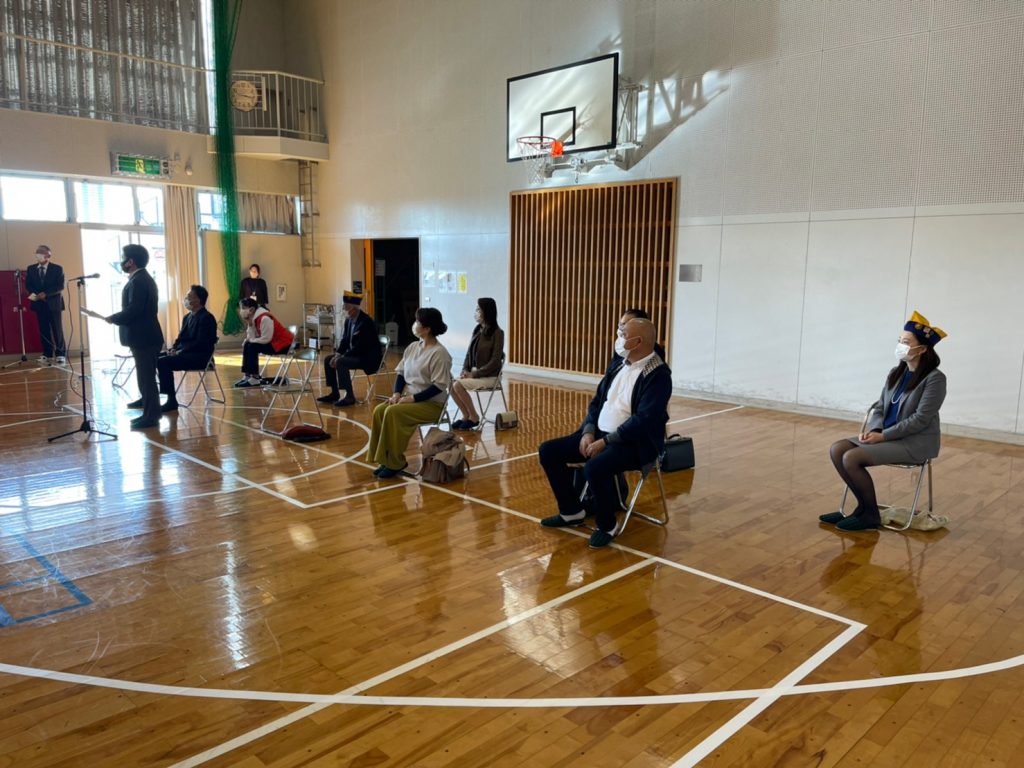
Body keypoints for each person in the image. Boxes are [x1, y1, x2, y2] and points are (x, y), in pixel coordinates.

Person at [539, 317, 672, 548]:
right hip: (599, 434)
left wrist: (606, 442)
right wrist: (588, 432)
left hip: (634, 444)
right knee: (548, 451)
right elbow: (597, 402)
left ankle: (607, 524)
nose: (618, 338)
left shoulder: (658, 375)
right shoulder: (618, 365)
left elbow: (644, 420)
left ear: (637, 342)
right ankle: (571, 511)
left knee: (595, 467)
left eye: (623, 334)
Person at [820, 311, 947, 532]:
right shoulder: (895, 374)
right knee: (837, 449)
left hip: (913, 442)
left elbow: (920, 420)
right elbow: (879, 407)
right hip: (886, 435)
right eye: (899, 341)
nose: (900, 346)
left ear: (923, 349)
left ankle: (869, 514)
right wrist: (875, 428)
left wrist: (884, 436)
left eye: (906, 342)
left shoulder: (935, 379)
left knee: (851, 457)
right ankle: (862, 509)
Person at [366, 307, 452, 478]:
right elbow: (401, 373)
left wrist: (411, 399)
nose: (414, 325)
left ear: (427, 329)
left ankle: (396, 462)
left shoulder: (439, 353)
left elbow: (439, 386)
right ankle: (384, 458)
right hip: (411, 399)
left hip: (432, 404)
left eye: (418, 322)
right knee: (380, 410)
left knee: (393, 412)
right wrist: (397, 394)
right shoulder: (413, 347)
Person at [106, 244, 164, 429]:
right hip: (144, 336)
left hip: (144, 337)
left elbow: (135, 309)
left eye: (123, 257)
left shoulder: (139, 280)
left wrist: (114, 318)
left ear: (131, 261)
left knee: (146, 378)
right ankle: (148, 409)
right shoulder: (140, 278)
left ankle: (152, 417)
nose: (121, 261)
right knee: (144, 377)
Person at [156, 285, 219, 412]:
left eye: (189, 297)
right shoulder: (187, 317)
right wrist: (172, 349)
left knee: (163, 362)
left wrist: (179, 351)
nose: (186, 299)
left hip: (200, 357)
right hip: (186, 354)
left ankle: (171, 400)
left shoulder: (207, 318)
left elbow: (201, 342)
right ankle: (153, 396)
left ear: (198, 300)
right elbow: (180, 339)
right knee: (156, 357)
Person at [317, 290, 382, 407]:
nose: (345, 312)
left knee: (341, 362)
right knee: (328, 359)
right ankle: (334, 393)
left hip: (366, 358)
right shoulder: (349, 321)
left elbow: (361, 347)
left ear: (354, 309)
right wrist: (338, 354)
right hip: (354, 354)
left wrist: (342, 356)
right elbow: (345, 341)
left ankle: (349, 396)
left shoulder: (366, 322)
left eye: (347, 309)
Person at [450, 297, 505, 430]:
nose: (476, 312)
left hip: (490, 377)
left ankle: (474, 417)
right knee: (450, 385)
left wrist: (474, 374)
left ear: (487, 311)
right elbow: (469, 354)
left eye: (479, 309)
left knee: (457, 385)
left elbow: (495, 361)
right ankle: (466, 415)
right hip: (477, 375)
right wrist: (464, 370)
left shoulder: (498, 333)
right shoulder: (477, 330)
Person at [235, 297, 294, 388]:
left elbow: (266, 339)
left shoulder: (265, 318)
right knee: (248, 344)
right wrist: (250, 324)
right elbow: (251, 337)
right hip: (274, 344)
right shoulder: (254, 319)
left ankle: (255, 378)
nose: (241, 310)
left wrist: (251, 340)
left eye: (243, 308)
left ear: (251, 309)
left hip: (283, 345)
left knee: (252, 346)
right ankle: (247, 376)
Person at [25, 244, 67, 364]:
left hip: (54, 304)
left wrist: (46, 294)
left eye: (41, 252)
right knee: (43, 329)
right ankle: (47, 353)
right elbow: (28, 285)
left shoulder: (57, 268)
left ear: (48, 255)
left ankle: (60, 354)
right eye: (37, 251)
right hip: (39, 303)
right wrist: (38, 294)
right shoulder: (31, 268)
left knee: (57, 329)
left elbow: (60, 286)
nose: (38, 254)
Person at [605, 308, 665, 374]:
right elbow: (610, 373)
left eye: (625, 324)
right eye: (620, 325)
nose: (621, 329)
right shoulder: (621, 347)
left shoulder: (654, 353)